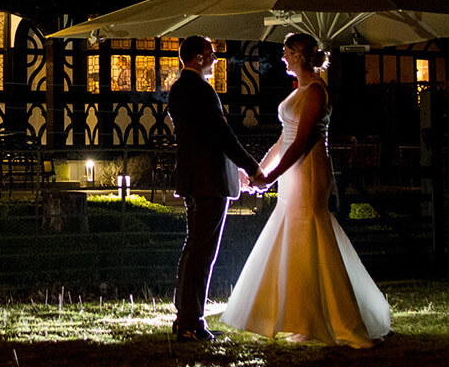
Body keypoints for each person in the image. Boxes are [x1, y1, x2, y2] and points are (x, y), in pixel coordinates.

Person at [218, 32, 391, 346]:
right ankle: (305, 318)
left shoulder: (314, 91)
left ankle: (336, 319)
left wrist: (270, 177)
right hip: (292, 174)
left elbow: (300, 142)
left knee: (310, 235)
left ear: (298, 54)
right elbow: (284, 139)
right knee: (297, 243)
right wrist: (260, 171)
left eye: (286, 51)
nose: (282, 57)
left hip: (309, 171)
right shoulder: (300, 90)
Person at [167, 34, 267, 342]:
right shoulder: (201, 90)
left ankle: (184, 315)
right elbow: (221, 134)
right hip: (209, 180)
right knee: (203, 251)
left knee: (192, 247)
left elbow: (201, 136)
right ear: (198, 58)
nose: (216, 59)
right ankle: (191, 322)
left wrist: (234, 166)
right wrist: (252, 167)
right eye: (211, 54)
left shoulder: (178, 89)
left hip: (193, 178)